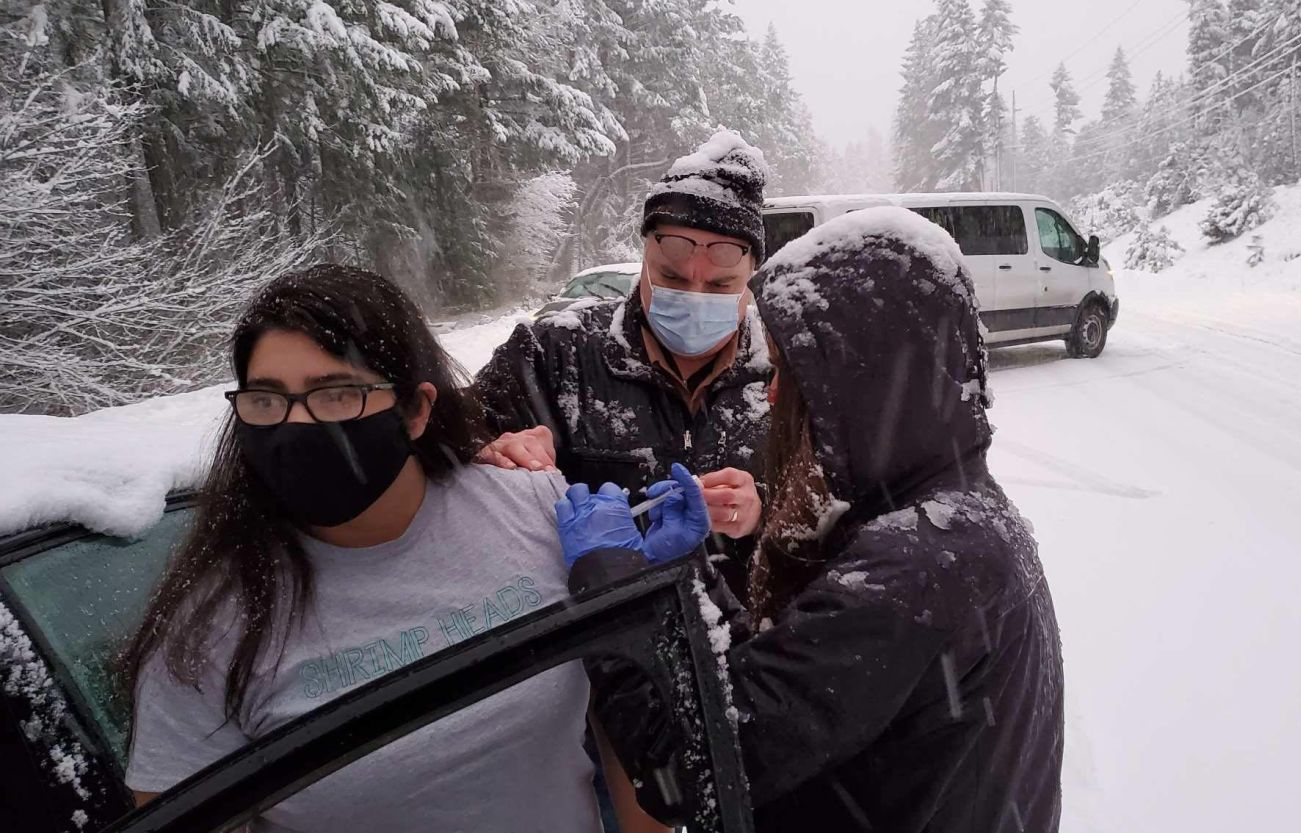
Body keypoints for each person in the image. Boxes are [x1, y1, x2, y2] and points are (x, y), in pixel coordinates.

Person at [557, 208, 1066, 833]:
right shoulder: (952, 514)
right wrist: (686, 576)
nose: (771, 396)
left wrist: (612, 593)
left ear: (862, 381)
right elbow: (784, 683)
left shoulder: (922, 564)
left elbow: (694, 767)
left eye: (788, 375)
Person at [121, 264, 661, 833]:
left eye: (336, 395)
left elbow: (623, 718)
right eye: (267, 401)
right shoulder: (210, 626)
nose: (296, 426)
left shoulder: (532, 510)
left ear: (415, 410)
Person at [474, 130, 772, 592]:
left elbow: (835, 512)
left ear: (751, 273)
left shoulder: (784, 374)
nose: (694, 296)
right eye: (672, 277)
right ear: (645, 258)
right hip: (598, 641)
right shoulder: (555, 353)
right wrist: (488, 450)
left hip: (745, 644)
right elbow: (436, 447)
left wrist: (762, 512)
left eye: (719, 286)